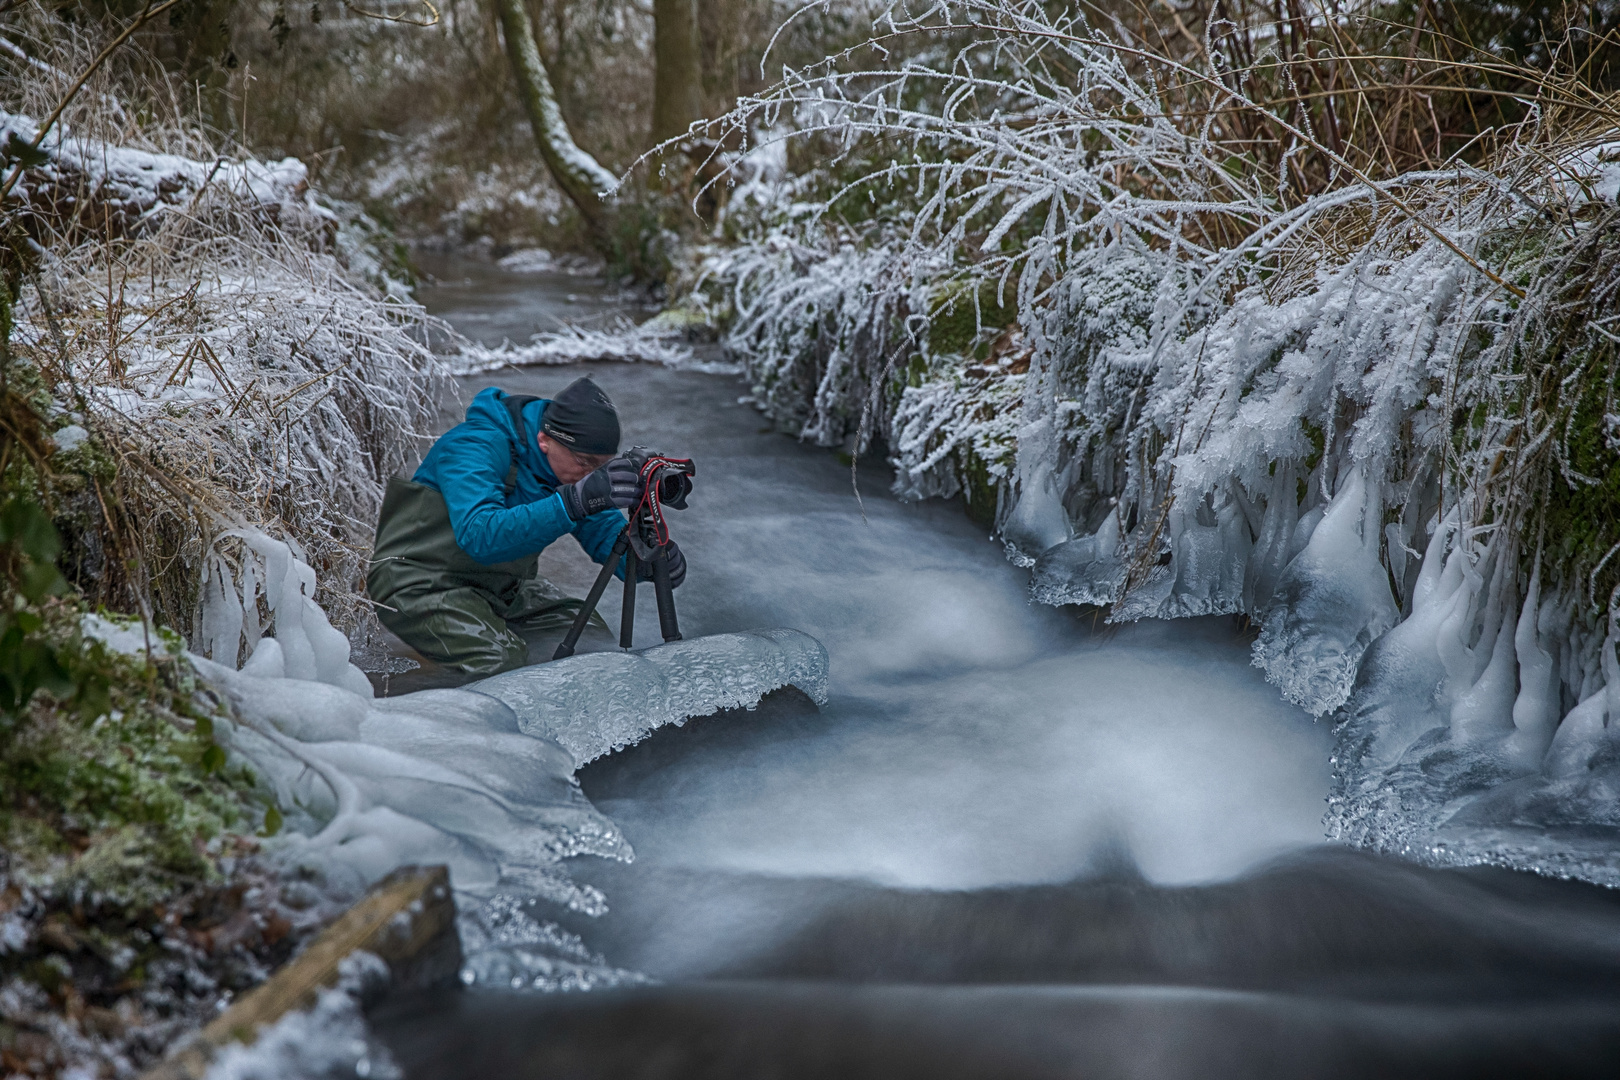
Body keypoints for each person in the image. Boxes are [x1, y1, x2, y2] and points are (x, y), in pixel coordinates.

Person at [367, 376, 685, 676]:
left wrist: (649, 559)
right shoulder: (473, 446)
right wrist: (571, 503)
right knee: (499, 659)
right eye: (585, 463)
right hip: (415, 580)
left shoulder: (567, 469)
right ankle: (466, 725)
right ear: (544, 439)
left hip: (498, 587)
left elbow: (603, 532)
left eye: (601, 467)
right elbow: (478, 534)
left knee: (590, 643)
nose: (591, 475)